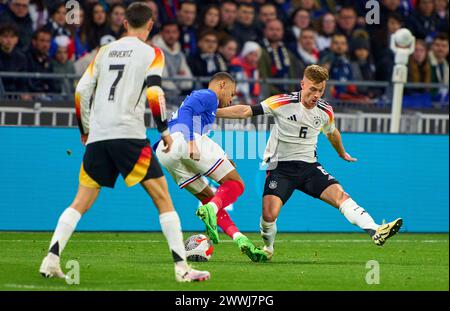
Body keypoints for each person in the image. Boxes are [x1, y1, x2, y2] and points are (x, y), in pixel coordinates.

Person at [39, 2, 210, 283]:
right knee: (163, 199)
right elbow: (155, 91)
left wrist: (84, 129)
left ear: (124, 23)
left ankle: (51, 259)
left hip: (99, 136)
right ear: (151, 25)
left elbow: (81, 90)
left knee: (80, 202)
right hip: (130, 136)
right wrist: (164, 131)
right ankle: (182, 269)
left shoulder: (104, 52)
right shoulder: (152, 53)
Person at [216, 65, 403, 260]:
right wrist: (214, 112)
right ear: (302, 85)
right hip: (281, 169)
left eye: (320, 90)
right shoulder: (282, 102)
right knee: (269, 216)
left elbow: (332, 132)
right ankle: (268, 248)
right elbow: (246, 111)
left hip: (309, 168)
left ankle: (375, 230)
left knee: (341, 196)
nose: (316, 95)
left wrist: (342, 153)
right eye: (312, 89)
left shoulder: (324, 110)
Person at [155, 72, 268, 262]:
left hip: (165, 152)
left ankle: (240, 239)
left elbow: (236, 112)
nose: (231, 99)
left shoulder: (210, 109)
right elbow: (186, 111)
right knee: (236, 184)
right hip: (184, 139)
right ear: (222, 84)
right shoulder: (208, 95)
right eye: (231, 93)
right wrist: (190, 141)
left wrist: (223, 157)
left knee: (210, 200)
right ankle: (212, 210)